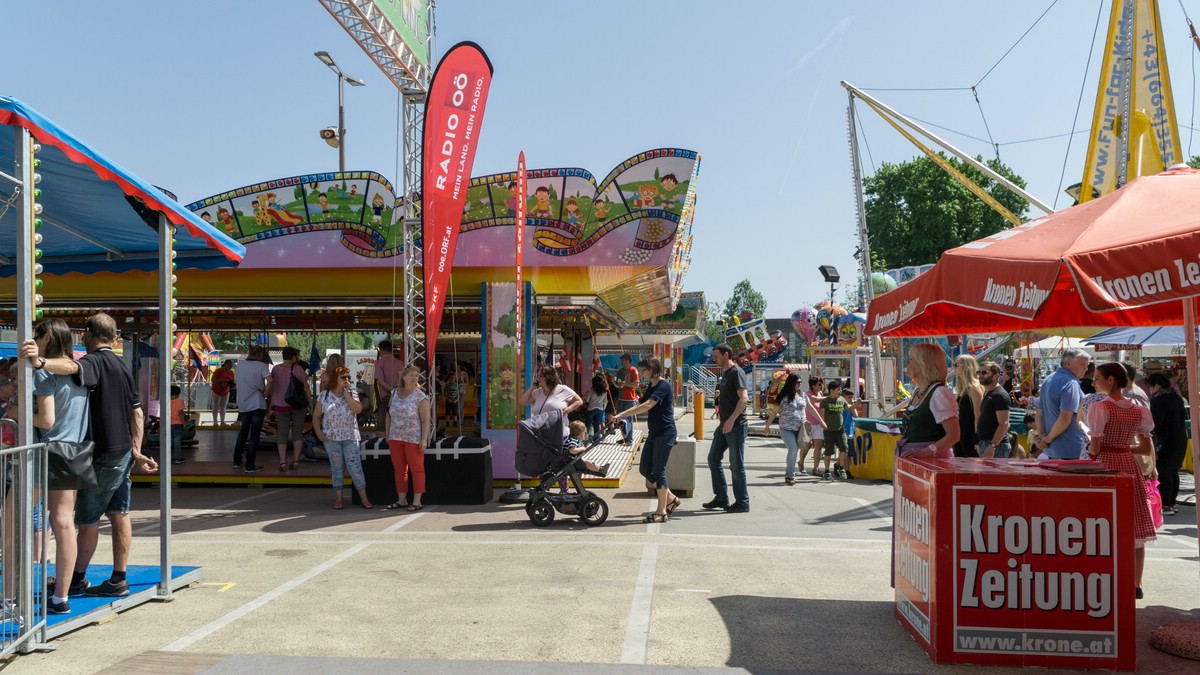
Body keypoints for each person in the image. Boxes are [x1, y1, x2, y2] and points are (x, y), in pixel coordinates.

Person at [21, 312, 158, 598]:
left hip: (102, 452)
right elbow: (137, 411)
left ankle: (75, 580)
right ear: (115, 337)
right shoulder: (122, 366)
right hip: (122, 451)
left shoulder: (91, 362)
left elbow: (72, 367)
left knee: (87, 519)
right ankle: (119, 577)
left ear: (87, 334)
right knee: (120, 513)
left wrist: (41, 362)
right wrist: (136, 449)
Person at [29, 319, 88, 614]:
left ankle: (14, 595)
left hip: (49, 448)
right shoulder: (79, 370)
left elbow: (46, 420)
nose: (33, 340)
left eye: (36, 335)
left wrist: (16, 410)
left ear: (47, 337)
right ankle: (61, 597)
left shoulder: (43, 373)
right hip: (75, 449)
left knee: (20, 519)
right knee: (64, 523)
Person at [1085, 362, 1157, 599]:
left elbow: (1094, 446)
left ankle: (1108, 577)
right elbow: (1146, 448)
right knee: (1135, 525)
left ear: (1110, 380)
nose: (1094, 382)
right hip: (1128, 465)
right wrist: (1125, 447)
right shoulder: (1137, 410)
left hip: (1106, 464)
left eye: (1097, 378)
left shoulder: (1100, 407)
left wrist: (1094, 450)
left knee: (1105, 522)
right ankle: (1137, 583)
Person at [612, 358, 679, 522]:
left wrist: (623, 414)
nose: (641, 373)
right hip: (655, 432)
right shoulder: (651, 386)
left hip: (665, 433)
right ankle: (672, 499)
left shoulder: (663, 386)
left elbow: (649, 405)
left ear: (652, 369)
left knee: (658, 471)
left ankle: (661, 511)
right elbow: (639, 404)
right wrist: (621, 414)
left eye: (643, 370)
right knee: (645, 470)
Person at [313, 366, 370, 510]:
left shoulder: (352, 394)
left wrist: (347, 395)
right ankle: (338, 499)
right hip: (331, 438)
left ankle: (364, 498)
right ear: (335, 379)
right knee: (337, 468)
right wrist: (319, 432)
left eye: (348, 377)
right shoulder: (325, 396)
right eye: (343, 377)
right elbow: (316, 416)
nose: (346, 380)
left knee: (355, 468)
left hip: (350, 437)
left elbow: (358, 409)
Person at [704, 344, 750, 513]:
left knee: (736, 465)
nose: (713, 358)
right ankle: (721, 497)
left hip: (735, 426)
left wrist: (731, 420)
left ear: (726, 355)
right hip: (724, 425)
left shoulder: (737, 372)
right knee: (713, 459)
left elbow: (743, 399)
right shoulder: (726, 374)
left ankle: (742, 502)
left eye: (716, 356)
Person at [896, 343, 959, 457]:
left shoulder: (939, 393)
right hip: (913, 458)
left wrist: (926, 451)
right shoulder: (917, 390)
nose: (907, 362)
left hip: (932, 461)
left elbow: (954, 435)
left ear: (923, 364)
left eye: (911, 359)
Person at [763, 373, 824, 485]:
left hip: (801, 428)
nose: (799, 384)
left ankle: (794, 469)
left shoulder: (803, 396)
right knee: (793, 449)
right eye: (797, 382)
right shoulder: (783, 397)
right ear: (791, 383)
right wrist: (767, 426)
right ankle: (790, 475)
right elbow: (774, 412)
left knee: (801, 448)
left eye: (800, 382)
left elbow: (810, 409)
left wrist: (821, 420)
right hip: (786, 428)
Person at [385, 366, 431, 511]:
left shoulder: (420, 396)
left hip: (413, 438)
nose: (414, 378)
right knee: (399, 469)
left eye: (417, 375)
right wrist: (387, 434)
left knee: (416, 469)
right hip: (395, 437)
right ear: (403, 377)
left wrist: (424, 439)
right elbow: (388, 414)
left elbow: (425, 419)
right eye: (411, 375)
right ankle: (402, 499)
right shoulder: (394, 392)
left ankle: (417, 501)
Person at [1033, 349, 1090, 459]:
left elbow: (1039, 413)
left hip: (1052, 450)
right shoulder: (1071, 383)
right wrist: (1047, 438)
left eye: (1087, 365)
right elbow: (1064, 419)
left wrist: (1042, 437)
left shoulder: (1048, 379)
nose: (1086, 369)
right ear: (1069, 363)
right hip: (1070, 450)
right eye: (1083, 364)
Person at [1147, 372, 1186, 516]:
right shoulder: (1176, 397)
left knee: (1164, 471)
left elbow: (1155, 423)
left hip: (1166, 440)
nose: (1150, 390)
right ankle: (1172, 502)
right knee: (1173, 472)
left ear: (1156, 386)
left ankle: (1166, 504)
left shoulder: (1159, 400)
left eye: (1151, 387)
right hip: (1180, 438)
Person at [268, 346, 311, 473]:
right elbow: (306, 387)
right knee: (298, 433)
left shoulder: (275, 369)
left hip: (280, 406)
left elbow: (271, 386)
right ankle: (296, 460)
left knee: (282, 434)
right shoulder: (298, 369)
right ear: (293, 357)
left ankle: (282, 462)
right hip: (298, 405)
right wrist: (310, 403)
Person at [233, 346, 271, 473]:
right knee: (254, 435)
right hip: (257, 403)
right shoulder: (261, 366)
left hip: (243, 404)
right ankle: (250, 465)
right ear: (260, 355)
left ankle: (237, 461)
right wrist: (266, 392)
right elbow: (270, 379)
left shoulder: (239, 365)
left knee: (243, 432)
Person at [518, 365, 584, 438]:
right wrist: (532, 387)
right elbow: (522, 402)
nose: (538, 378)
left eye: (541, 376)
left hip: (559, 435)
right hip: (541, 435)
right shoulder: (538, 392)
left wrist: (567, 410)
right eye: (538, 376)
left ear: (549, 377)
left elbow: (579, 401)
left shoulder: (563, 389)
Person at [975, 360, 1012, 458]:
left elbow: (1003, 424)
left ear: (996, 376)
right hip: (986, 443)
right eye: (979, 372)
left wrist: (992, 446)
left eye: (984, 373)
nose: (980, 375)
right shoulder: (988, 393)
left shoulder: (999, 395)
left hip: (996, 446)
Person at [952, 355, 983, 458]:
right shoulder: (962, 387)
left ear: (965, 367)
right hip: (960, 434)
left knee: (969, 469)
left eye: (956, 365)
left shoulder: (974, 387)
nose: (954, 368)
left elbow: (978, 414)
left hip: (969, 435)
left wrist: (977, 438)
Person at [817, 381, 848, 481]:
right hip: (829, 430)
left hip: (840, 429)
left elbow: (849, 409)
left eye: (840, 389)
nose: (840, 391)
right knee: (829, 451)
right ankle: (826, 471)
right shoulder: (825, 401)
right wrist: (822, 422)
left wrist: (856, 404)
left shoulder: (842, 399)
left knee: (844, 448)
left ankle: (841, 468)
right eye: (838, 389)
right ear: (832, 390)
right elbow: (821, 415)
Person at [374, 340, 402, 433]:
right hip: (401, 397)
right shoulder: (401, 363)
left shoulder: (379, 363)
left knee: (382, 428)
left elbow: (380, 381)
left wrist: (392, 391)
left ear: (381, 350)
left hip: (387, 397)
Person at [615, 354, 640, 445]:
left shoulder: (633, 370)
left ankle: (629, 439)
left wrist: (625, 384)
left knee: (629, 419)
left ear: (628, 360)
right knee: (621, 420)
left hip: (630, 398)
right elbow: (618, 384)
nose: (622, 361)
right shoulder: (620, 371)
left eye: (624, 360)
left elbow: (636, 384)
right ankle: (624, 438)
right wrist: (617, 384)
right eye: (622, 360)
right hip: (620, 397)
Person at [805, 378, 825, 475]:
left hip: (819, 424)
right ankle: (801, 462)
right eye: (819, 384)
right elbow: (815, 399)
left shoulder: (820, 393)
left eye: (821, 384)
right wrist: (829, 397)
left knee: (818, 446)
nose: (821, 386)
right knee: (806, 446)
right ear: (813, 385)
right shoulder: (807, 394)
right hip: (809, 424)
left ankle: (815, 468)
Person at [583, 374, 609, 443]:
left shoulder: (591, 391)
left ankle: (585, 438)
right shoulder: (604, 392)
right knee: (596, 424)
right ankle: (596, 438)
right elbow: (605, 401)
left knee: (588, 424)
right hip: (600, 409)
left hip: (591, 409)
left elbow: (587, 400)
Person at [209, 359, 235, 426]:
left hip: (225, 391)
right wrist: (222, 380)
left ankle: (222, 421)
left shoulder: (231, 372)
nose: (230, 367)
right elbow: (213, 380)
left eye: (231, 365)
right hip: (216, 390)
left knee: (223, 406)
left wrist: (231, 384)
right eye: (229, 365)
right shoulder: (218, 371)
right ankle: (215, 422)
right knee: (215, 405)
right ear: (225, 364)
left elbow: (233, 381)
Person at [168, 385, 186, 465]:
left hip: (168, 424)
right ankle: (177, 458)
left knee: (170, 441)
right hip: (178, 424)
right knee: (177, 441)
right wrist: (184, 423)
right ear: (178, 394)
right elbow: (181, 413)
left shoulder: (166, 401)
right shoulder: (180, 401)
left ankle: (168, 457)